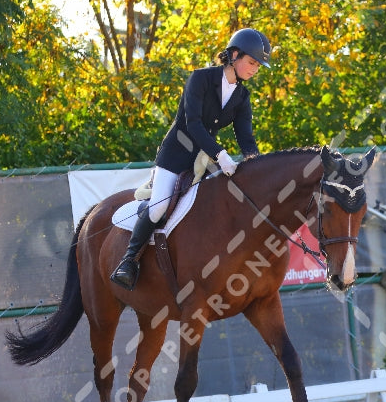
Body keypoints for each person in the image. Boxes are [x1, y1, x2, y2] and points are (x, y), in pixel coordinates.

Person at [110, 27, 271, 290]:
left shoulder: (243, 96)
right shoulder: (200, 79)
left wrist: (256, 164)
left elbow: (245, 137)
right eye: (252, 62)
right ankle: (128, 261)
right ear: (234, 54)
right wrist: (221, 155)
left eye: (258, 66)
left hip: (204, 161)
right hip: (176, 154)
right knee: (160, 206)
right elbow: (192, 123)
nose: (255, 69)